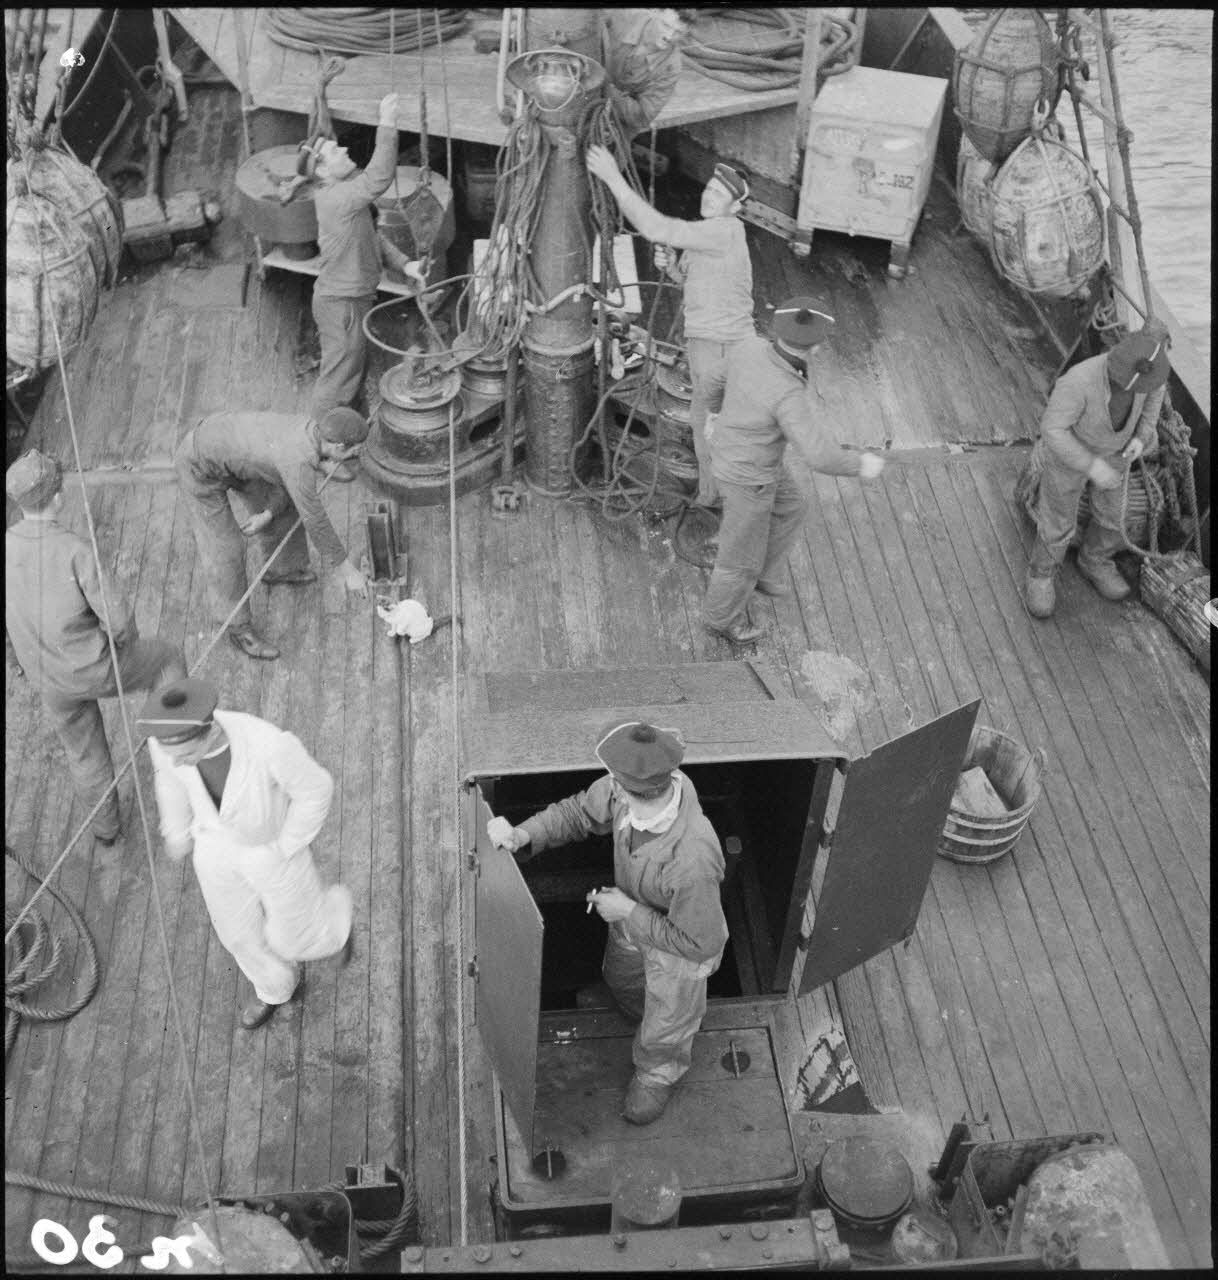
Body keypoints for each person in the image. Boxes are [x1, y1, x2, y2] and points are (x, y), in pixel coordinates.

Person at [487, 719, 727, 1126]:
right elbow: (578, 812)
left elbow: (698, 944)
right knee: (620, 976)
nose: (607, 785)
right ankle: (636, 1011)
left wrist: (628, 911)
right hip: (631, 915)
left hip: (680, 951)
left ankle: (657, 1073)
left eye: (612, 779)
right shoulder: (630, 790)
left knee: (669, 1019)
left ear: (629, 787)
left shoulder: (693, 859)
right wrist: (524, 835)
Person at [138, 678, 353, 1031]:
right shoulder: (165, 743)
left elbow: (316, 790)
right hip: (214, 845)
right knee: (237, 933)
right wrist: (177, 831)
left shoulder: (269, 745)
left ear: (210, 733)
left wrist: (288, 842)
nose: (178, 762)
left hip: (271, 847)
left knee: (295, 932)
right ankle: (274, 989)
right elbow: (169, 780)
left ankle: (334, 931)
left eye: (186, 756)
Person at [5, 450, 186, 845]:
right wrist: (124, 647)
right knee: (167, 659)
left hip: (47, 678)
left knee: (84, 753)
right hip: (95, 667)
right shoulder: (74, 549)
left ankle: (106, 830)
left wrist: (16, 662)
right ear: (57, 497)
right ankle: (180, 760)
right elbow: (118, 620)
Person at [702, 298, 886, 645]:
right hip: (749, 478)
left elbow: (711, 381)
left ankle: (762, 572)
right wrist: (861, 464)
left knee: (792, 505)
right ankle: (719, 619)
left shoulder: (749, 347)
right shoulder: (788, 394)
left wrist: (715, 413)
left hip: (735, 451)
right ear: (816, 347)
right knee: (739, 560)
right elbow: (818, 455)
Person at [587, 144, 755, 509]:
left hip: (722, 346)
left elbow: (655, 227)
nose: (708, 197)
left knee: (709, 425)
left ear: (735, 208)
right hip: (707, 340)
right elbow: (690, 281)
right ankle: (717, 490)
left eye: (719, 195)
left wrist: (612, 176)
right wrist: (672, 267)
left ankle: (717, 499)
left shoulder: (724, 232)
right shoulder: (708, 234)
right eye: (709, 189)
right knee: (708, 421)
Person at [173, 406, 372, 661]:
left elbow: (283, 477)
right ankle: (238, 628)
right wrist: (348, 571)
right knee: (226, 549)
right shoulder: (297, 461)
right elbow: (316, 519)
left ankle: (282, 569)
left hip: (237, 458)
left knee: (284, 507)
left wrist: (267, 514)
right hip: (198, 466)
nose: (355, 456)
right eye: (353, 451)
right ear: (338, 446)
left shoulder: (310, 430)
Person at [1024, 321, 1170, 618]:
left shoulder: (1152, 374)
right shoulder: (1077, 382)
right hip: (1070, 453)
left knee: (1113, 515)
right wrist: (1091, 465)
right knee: (1057, 519)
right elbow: (1052, 430)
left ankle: (1094, 560)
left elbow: (1153, 397)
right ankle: (1041, 573)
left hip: (1117, 451)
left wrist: (1141, 438)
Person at [305, 91, 401, 427]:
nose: (345, 150)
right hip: (341, 305)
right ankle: (320, 436)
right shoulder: (337, 200)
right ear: (321, 170)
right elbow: (378, 178)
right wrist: (386, 123)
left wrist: (406, 265)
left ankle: (350, 428)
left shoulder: (343, 196)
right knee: (338, 378)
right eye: (336, 151)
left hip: (351, 298)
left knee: (353, 369)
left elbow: (371, 238)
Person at [600, 9, 694, 138]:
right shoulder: (621, 16)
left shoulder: (671, 68)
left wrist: (605, 89)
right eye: (665, 25)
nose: (669, 36)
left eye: (678, 32)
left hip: (617, 124)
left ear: (686, 32)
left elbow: (642, 117)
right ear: (654, 12)